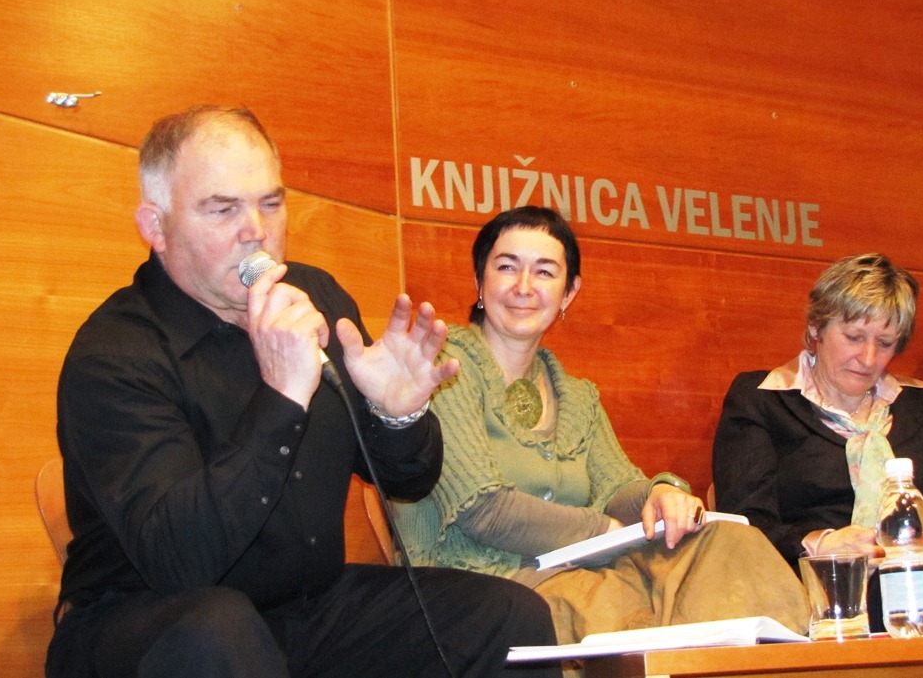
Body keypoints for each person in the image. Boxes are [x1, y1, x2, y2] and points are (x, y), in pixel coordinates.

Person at [46, 106, 559, 678]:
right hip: (149, 623)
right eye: (223, 209)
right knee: (218, 632)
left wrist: (395, 417)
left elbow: (408, 482)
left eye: (270, 203)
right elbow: (178, 561)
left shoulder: (315, 296)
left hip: (304, 609)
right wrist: (282, 397)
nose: (256, 231)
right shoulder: (115, 354)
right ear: (156, 227)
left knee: (508, 619)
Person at [391, 206, 808, 646]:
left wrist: (659, 493)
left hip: (583, 573)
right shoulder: (440, 368)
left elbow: (617, 488)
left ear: (569, 293)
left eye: (545, 272)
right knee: (625, 607)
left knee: (731, 544)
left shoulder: (577, 397)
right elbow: (484, 511)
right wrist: (605, 532)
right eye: (507, 267)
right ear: (480, 281)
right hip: (482, 584)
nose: (524, 287)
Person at [711, 253, 923, 626]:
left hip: (921, 601)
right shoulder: (763, 398)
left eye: (885, 343)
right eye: (854, 337)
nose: (868, 358)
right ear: (817, 328)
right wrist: (820, 543)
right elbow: (742, 525)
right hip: (805, 601)